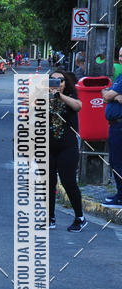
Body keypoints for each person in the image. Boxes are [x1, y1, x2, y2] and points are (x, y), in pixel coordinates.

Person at [48, 70, 86, 231]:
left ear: (65, 83)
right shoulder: (43, 97)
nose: (57, 83)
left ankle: (80, 217)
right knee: (48, 183)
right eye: (53, 80)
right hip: (48, 147)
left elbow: (78, 106)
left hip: (67, 147)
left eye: (60, 81)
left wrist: (59, 96)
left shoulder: (70, 96)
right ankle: (50, 217)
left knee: (68, 182)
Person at [101, 46, 122, 207]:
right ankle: (119, 193)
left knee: (117, 161)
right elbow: (106, 94)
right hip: (115, 125)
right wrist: (115, 96)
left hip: (119, 125)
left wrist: (111, 95)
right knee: (115, 161)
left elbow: (107, 95)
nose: (121, 59)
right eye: (120, 56)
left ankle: (121, 196)